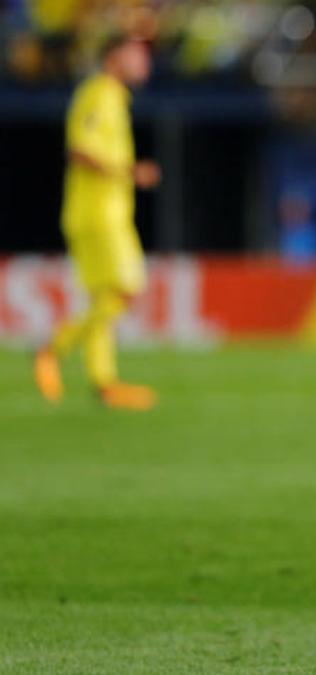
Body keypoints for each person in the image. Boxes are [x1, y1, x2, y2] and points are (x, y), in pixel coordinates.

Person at [34, 34, 160, 411]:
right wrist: (128, 170)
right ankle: (52, 348)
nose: (144, 62)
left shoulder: (112, 96)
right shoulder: (101, 92)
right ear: (113, 55)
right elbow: (79, 149)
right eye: (136, 53)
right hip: (100, 214)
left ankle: (104, 383)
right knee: (128, 288)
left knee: (103, 299)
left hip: (95, 212)